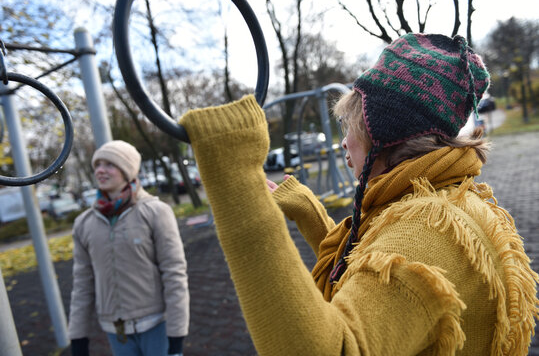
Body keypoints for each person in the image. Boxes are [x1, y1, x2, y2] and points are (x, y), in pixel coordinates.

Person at [178, 33, 539, 355]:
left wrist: (237, 183)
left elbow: (333, 347)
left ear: (384, 134)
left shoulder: (427, 232)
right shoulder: (443, 199)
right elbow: (370, 271)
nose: (344, 143)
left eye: (350, 127)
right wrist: (309, 212)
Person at [68, 140, 189, 356]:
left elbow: (174, 274)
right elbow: (82, 284)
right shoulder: (84, 224)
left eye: (109, 165)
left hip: (156, 325)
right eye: (97, 165)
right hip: (116, 331)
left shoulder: (156, 212)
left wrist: (177, 337)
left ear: (127, 171)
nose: (100, 170)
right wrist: (78, 338)